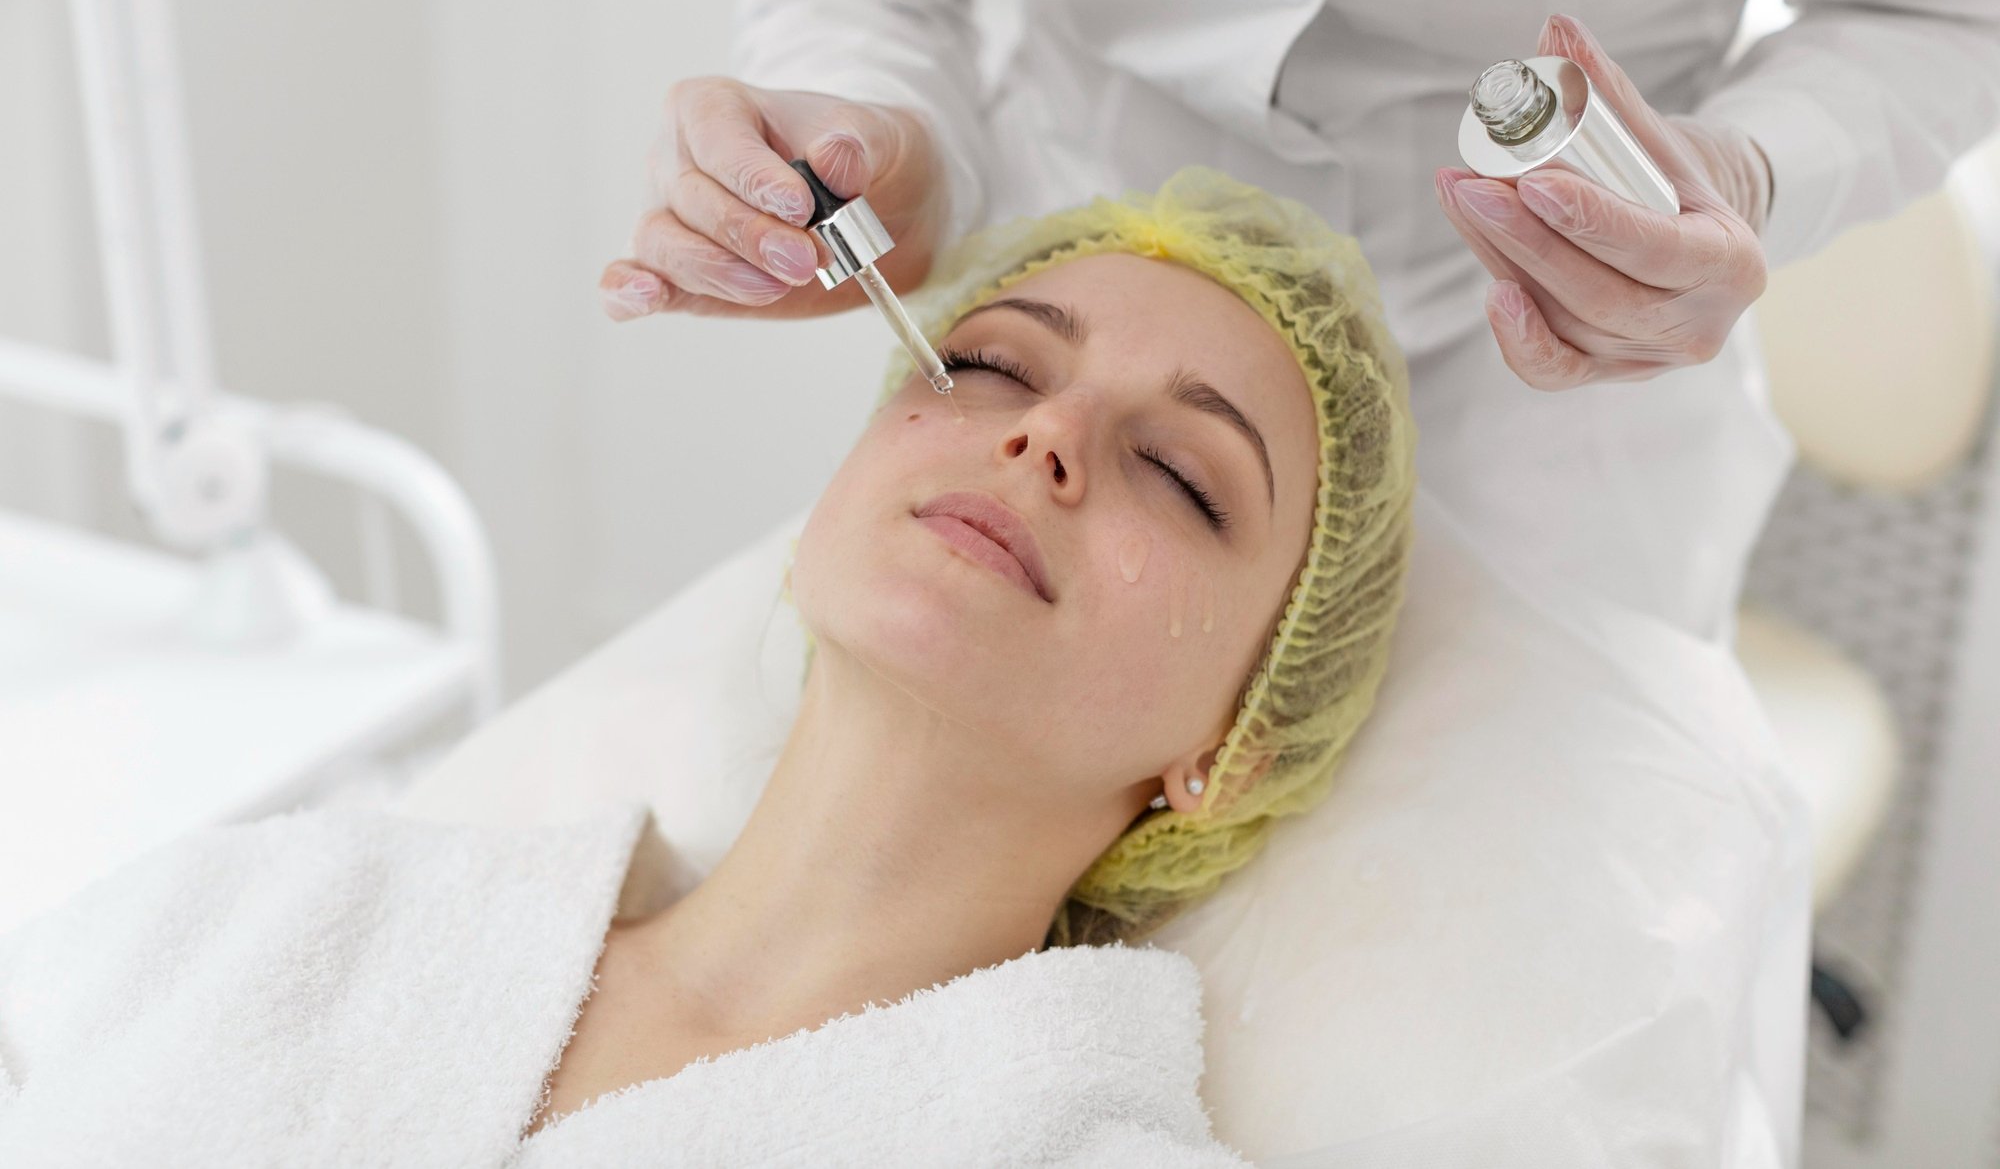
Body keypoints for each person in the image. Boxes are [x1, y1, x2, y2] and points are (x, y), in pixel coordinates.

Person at [0, 169, 1419, 1166]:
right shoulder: (292, 910)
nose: (1043, 436)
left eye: (1179, 472)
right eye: (987, 365)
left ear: (1238, 746)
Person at [599, 0, 2000, 652]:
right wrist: (890, 158)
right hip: (1066, 271)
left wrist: (1744, 177)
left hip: (1545, 434)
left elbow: (1939, 4)